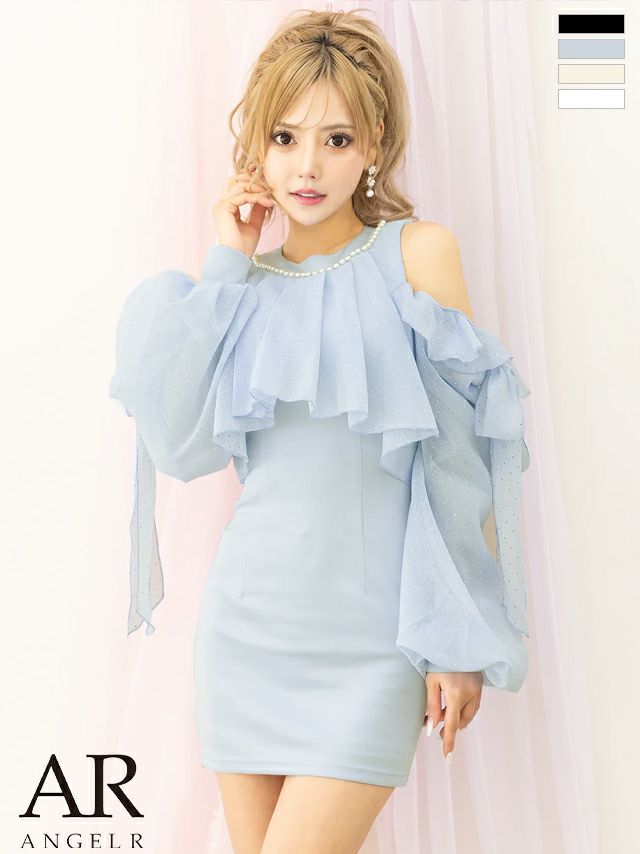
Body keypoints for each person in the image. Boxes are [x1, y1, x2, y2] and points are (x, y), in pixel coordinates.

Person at [108, 9, 532, 854]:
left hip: (372, 647)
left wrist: (458, 640)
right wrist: (226, 260)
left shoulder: (418, 256)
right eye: (285, 137)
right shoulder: (241, 286)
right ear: (257, 148)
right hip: (246, 634)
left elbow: (461, 466)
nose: (307, 166)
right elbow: (177, 443)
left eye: (335, 140)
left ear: (373, 144)